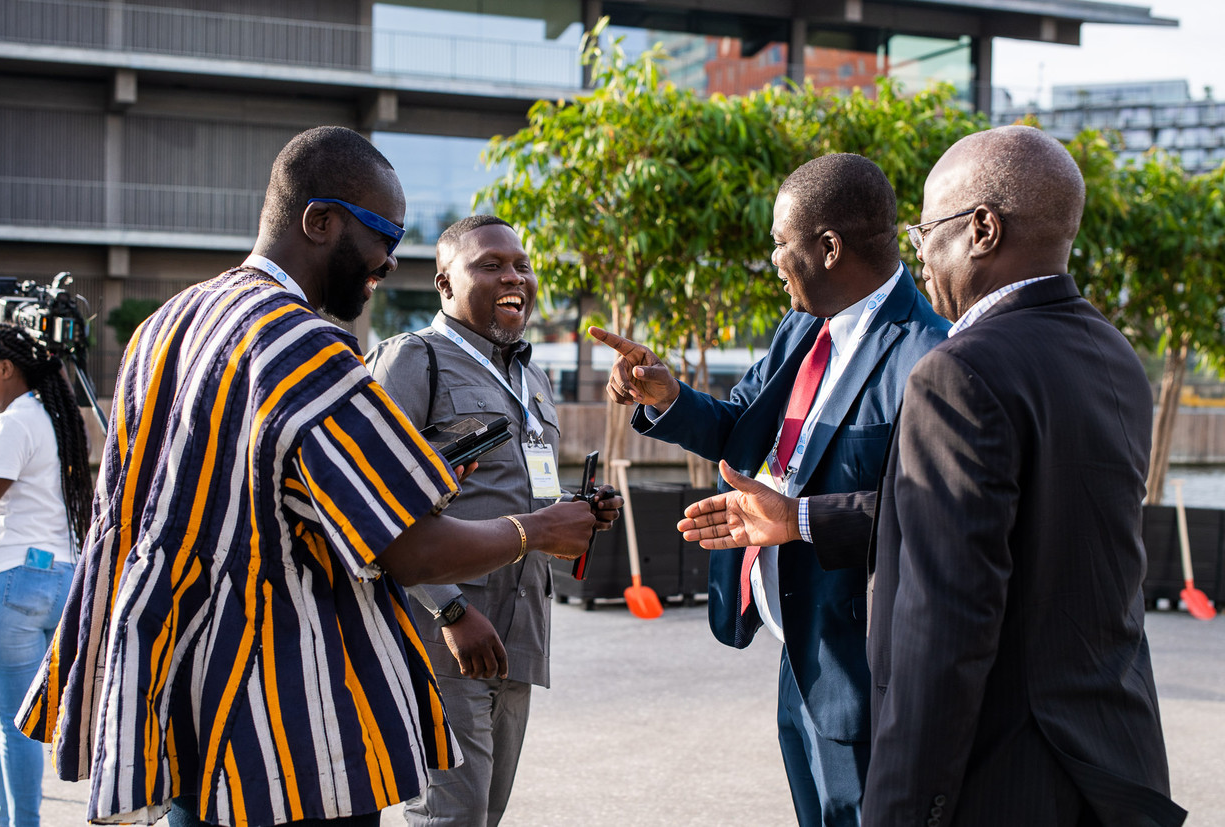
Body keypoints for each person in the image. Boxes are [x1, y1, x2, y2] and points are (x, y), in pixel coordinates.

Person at [16, 126, 598, 827]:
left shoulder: (164, 325)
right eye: (383, 232)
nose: (387, 258)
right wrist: (535, 529)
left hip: (181, 700)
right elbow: (409, 548)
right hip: (286, 726)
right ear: (319, 221)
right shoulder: (306, 344)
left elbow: (171, 505)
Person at [680, 126, 1186, 826]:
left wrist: (899, 805)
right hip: (1110, 762)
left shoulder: (956, 369)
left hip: (1006, 770)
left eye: (927, 227)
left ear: (982, 229)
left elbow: (942, 628)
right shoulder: (1113, 354)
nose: (916, 247)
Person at [591, 153, 949, 826]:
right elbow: (740, 428)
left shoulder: (929, 356)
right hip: (799, 647)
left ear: (829, 247)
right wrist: (669, 397)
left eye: (781, 243)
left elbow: (931, 516)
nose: (775, 259)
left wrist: (799, 518)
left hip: (863, 666)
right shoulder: (801, 325)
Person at [367, 214, 621, 827]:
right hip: (445, 631)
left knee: (486, 812)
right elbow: (374, 506)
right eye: (490, 265)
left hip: (519, 629)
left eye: (521, 265)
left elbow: (517, 485)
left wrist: (577, 508)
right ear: (445, 283)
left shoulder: (531, 376)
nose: (513, 276)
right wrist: (449, 611)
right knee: (450, 815)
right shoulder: (412, 362)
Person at [0, 324, 92, 827]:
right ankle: (8, 817)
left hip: (11, 582)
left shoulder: (13, 424)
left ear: (6, 368)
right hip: (61, 582)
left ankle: (19, 823)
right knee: (11, 720)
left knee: (10, 725)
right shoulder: (53, 418)